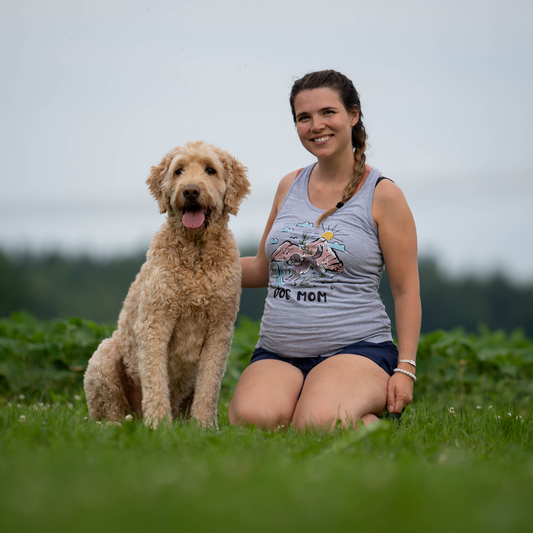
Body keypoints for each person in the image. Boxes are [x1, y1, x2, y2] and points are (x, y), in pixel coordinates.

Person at [228, 70, 421, 431]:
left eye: (327, 113)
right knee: (253, 421)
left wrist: (405, 369)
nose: (316, 125)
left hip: (357, 349)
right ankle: (336, 410)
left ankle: (367, 423)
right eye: (304, 117)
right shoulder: (290, 184)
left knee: (314, 424)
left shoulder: (383, 195)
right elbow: (260, 268)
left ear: (353, 114)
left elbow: (406, 290)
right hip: (278, 352)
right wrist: (188, 267)